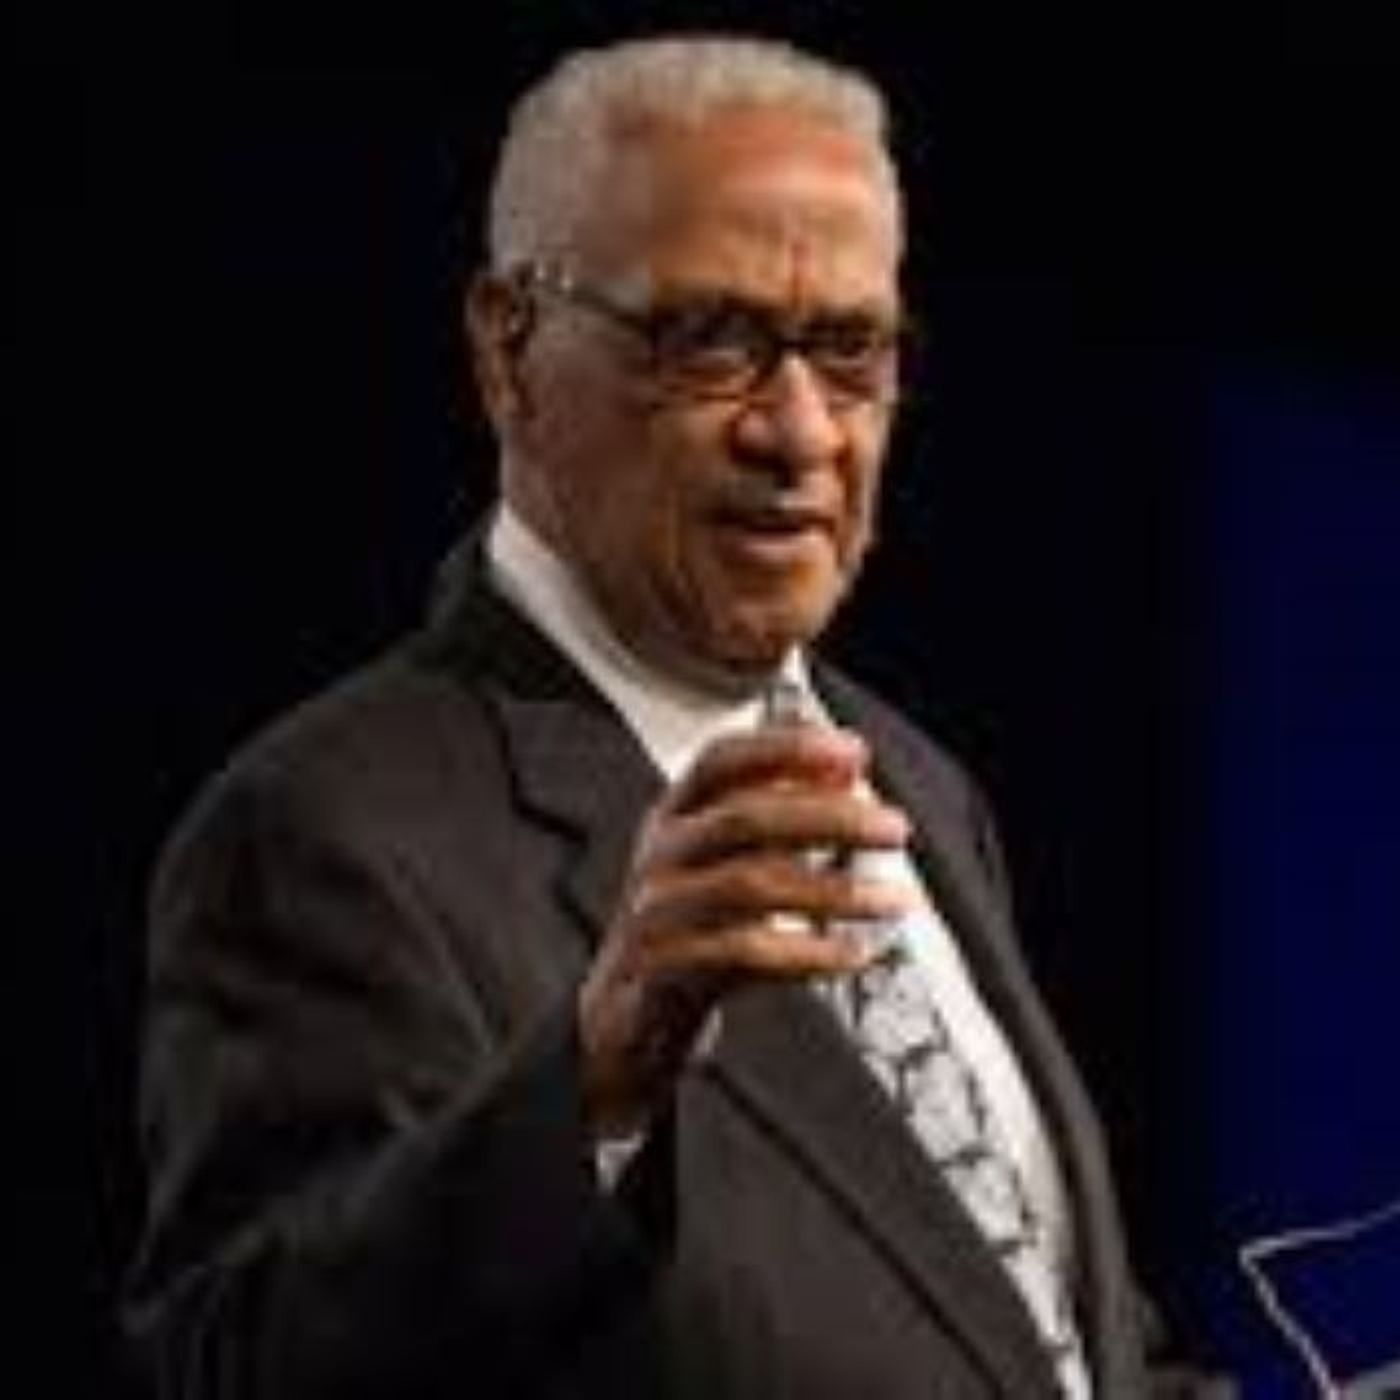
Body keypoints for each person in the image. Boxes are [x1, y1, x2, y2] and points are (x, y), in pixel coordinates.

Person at [126, 34, 1198, 1399]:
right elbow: (241, 1366)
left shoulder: (918, 786)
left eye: (851, 351)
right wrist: (592, 1084)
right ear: (509, 350)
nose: (801, 433)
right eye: (713, 341)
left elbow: (1037, 1348)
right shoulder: (328, 832)